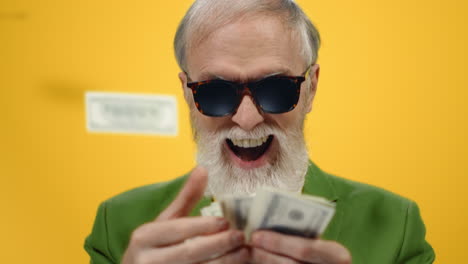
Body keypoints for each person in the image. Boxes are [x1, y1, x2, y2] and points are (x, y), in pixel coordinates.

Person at [85, 0, 435, 263]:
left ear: (311, 88)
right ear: (188, 95)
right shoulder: (119, 224)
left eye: (277, 89)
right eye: (216, 92)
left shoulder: (395, 225)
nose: (247, 119)